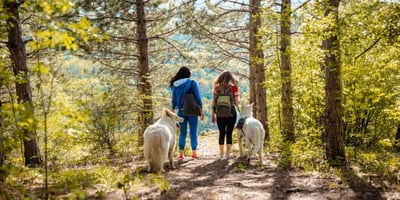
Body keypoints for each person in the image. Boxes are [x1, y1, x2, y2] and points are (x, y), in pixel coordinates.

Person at [170, 66, 204, 160]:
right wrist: (201, 111)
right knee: (193, 132)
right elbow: (198, 98)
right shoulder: (192, 83)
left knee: (182, 132)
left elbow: (173, 101)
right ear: (188, 74)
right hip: (192, 111)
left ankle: (181, 154)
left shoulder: (175, 85)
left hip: (181, 111)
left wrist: (173, 113)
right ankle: (194, 153)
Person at [211, 70, 239, 160]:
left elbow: (213, 103)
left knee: (221, 133)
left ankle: (221, 154)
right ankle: (227, 154)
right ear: (230, 78)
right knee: (229, 133)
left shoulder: (216, 88)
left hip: (219, 114)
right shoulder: (234, 88)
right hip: (231, 113)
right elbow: (236, 103)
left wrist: (213, 114)